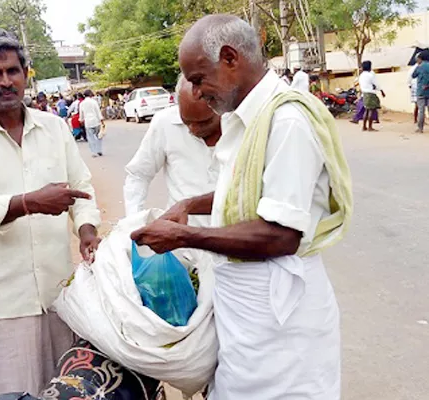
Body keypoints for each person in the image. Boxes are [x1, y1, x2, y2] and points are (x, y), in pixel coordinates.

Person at [132, 14, 352, 400]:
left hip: (280, 325)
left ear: (230, 58)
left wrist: (186, 235)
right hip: (249, 321)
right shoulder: (246, 120)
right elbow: (245, 192)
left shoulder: (286, 121)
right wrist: (189, 203)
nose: (197, 94)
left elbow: (280, 234)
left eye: (199, 80)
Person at [0, 28, 101, 400]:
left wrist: (87, 230)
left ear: (27, 73)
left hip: (62, 297)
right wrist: (28, 202)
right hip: (2, 303)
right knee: (12, 395)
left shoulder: (55, 128)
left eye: (13, 71)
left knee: (68, 390)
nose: (6, 81)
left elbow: (81, 187)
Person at [124, 74, 221, 225]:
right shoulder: (164, 123)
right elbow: (139, 175)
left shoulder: (239, 125)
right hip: (181, 242)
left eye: (203, 123)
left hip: (233, 242)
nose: (193, 129)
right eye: (187, 121)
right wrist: (133, 222)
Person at [359, 60, 385, 132]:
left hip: (364, 93)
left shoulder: (361, 75)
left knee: (366, 110)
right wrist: (381, 91)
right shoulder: (370, 75)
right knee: (371, 110)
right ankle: (370, 127)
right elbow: (376, 84)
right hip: (371, 93)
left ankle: (364, 126)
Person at [79, 89, 105, 157]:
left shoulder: (82, 103)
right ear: (90, 94)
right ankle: (99, 150)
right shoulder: (94, 102)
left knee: (90, 138)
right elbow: (98, 111)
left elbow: (81, 114)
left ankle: (94, 152)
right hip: (96, 121)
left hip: (88, 122)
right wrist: (102, 120)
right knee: (99, 136)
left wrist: (81, 120)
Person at [412, 50, 429, 133]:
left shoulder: (419, 67)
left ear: (421, 58)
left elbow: (413, 75)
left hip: (421, 91)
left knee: (421, 110)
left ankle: (420, 128)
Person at [408, 54, 422, 124]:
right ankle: (417, 120)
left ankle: (417, 119)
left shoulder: (412, 68)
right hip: (418, 86)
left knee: (418, 105)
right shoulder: (417, 67)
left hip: (415, 86)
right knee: (419, 105)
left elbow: (409, 79)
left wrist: (410, 85)